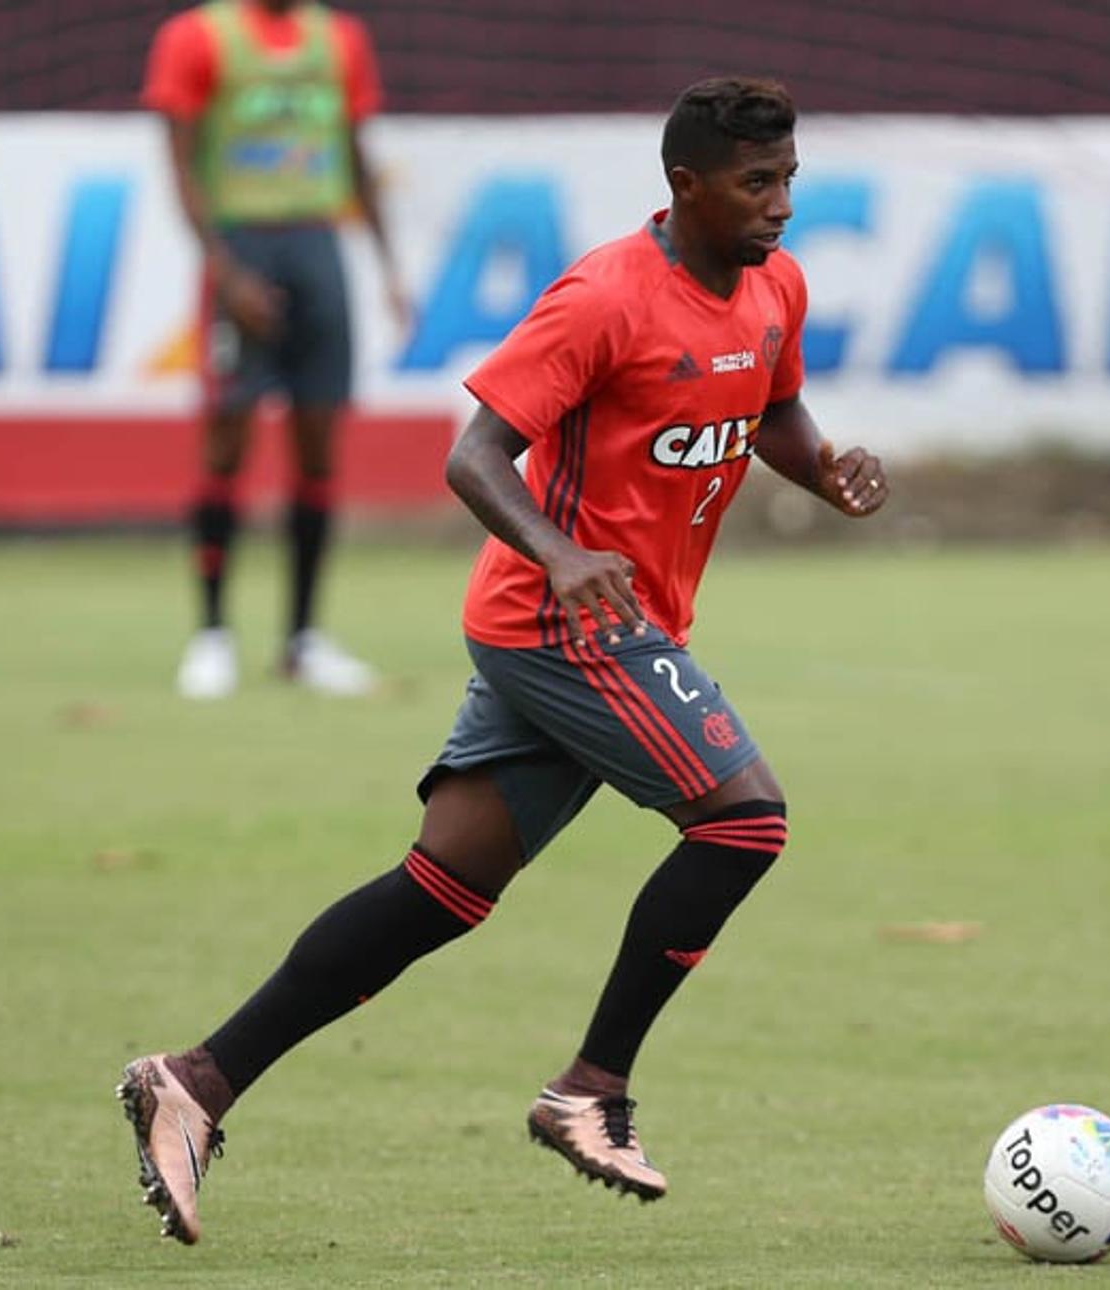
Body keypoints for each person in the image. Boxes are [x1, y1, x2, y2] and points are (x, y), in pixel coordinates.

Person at [114, 75, 890, 1245]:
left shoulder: (774, 284)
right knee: (745, 822)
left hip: (623, 626)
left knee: (445, 888)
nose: (781, 205)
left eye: (788, 180)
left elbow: (769, 404)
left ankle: (197, 1082)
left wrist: (823, 465)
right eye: (756, 183)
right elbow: (475, 455)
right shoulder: (602, 297)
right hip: (560, 621)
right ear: (685, 186)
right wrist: (560, 550)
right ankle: (595, 1088)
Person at [140, 0, 411, 699]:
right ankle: (211, 636)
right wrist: (227, 275)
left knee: (318, 444)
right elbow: (181, 167)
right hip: (242, 243)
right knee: (226, 439)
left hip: (318, 246)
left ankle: (302, 640)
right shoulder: (197, 37)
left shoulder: (340, 38)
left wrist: (386, 267)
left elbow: (354, 155)